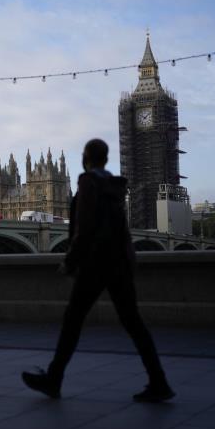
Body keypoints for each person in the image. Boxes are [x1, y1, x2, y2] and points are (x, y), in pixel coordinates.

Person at [22, 138, 174, 403]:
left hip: (95, 264)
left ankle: (53, 379)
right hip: (119, 263)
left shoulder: (88, 183)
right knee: (133, 323)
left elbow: (85, 227)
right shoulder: (114, 186)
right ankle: (159, 380)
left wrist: (70, 261)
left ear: (87, 158)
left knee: (73, 321)